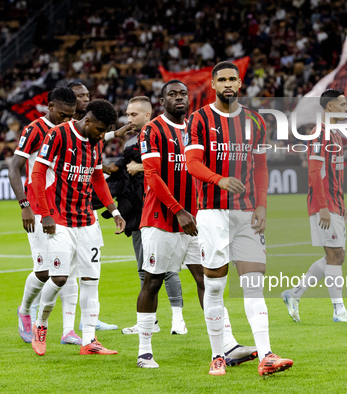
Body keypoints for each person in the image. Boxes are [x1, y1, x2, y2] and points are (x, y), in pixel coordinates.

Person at [136, 80, 257, 368]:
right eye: (172, 94)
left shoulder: (196, 125)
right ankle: (144, 351)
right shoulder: (152, 129)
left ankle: (228, 345)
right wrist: (178, 209)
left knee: (207, 279)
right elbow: (152, 176)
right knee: (153, 281)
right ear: (162, 100)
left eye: (182, 93)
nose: (178, 98)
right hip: (162, 219)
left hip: (197, 218)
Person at [185, 61, 293, 376]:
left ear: (240, 83)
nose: (229, 84)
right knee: (215, 288)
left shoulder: (255, 121)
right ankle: (218, 356)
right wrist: (218, 180)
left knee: (253, 285)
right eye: (223, 80)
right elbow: (192, 163)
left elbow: (260, 167)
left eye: (233, 79)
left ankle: (267, 354)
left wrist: (262, 206)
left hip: (246, 213)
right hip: (212, 213)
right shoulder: (200, 119)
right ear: (213, 84)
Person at [30, 99, 126, 356]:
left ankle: (90, 340)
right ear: (87, 121)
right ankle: (41, 325)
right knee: (59, 277)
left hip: (87, 222)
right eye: (100, 129)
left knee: (91, 281)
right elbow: (38, 174)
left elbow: (96, 177)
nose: (101, 135)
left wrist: (113, 210)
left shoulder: (94, 145)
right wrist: (45, 213)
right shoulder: (58, 134)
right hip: (59, 220)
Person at [282, 89, 347, 323]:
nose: (346, 108)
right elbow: (314, 172)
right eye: (342, 105)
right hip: (324, 204)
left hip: (335, 203)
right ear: (329, 107)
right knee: (335, 254)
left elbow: (334, 173)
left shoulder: (336, 134)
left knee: (335, 255)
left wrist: (341, 204)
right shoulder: (320, 134)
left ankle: (294, 294)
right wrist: (323, 206)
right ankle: (339, 311)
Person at [9, 87, 83, 345]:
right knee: (43, 272)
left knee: (68, 271)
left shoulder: (71, 129)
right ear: (50, 106)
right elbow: (14, 168)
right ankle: (25, 310)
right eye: (63, 114)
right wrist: (24, 205)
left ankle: (69, 330)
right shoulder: (34, 130)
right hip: (39, 209)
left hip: (64, 209)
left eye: (71, 115)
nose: (67, 119)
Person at [118, 96, 189, 336]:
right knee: (144, 270)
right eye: (127, 114)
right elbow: (123, 176)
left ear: (148, 115)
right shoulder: (130, 143)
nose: (129, 119)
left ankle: (178, 319)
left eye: (133, 114)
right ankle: (150, 321)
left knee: (168, 270)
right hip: (139, 212)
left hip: (167, 208)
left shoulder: (164, 134)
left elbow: (168, 168)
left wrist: (141, 167)